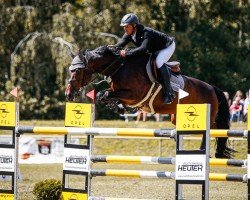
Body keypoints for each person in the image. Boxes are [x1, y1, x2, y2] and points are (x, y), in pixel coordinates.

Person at [111, 13, 175, 104]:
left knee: (159, 62)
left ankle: (169, 93)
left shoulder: (146, 32)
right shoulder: (128, 34)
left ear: (134, 25)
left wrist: (127, 53)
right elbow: (119, 45)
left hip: (166, 47)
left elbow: (143, 49)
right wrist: (109, 49)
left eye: (127, 26)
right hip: (154, 49)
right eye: (124, 27)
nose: (125, 29)